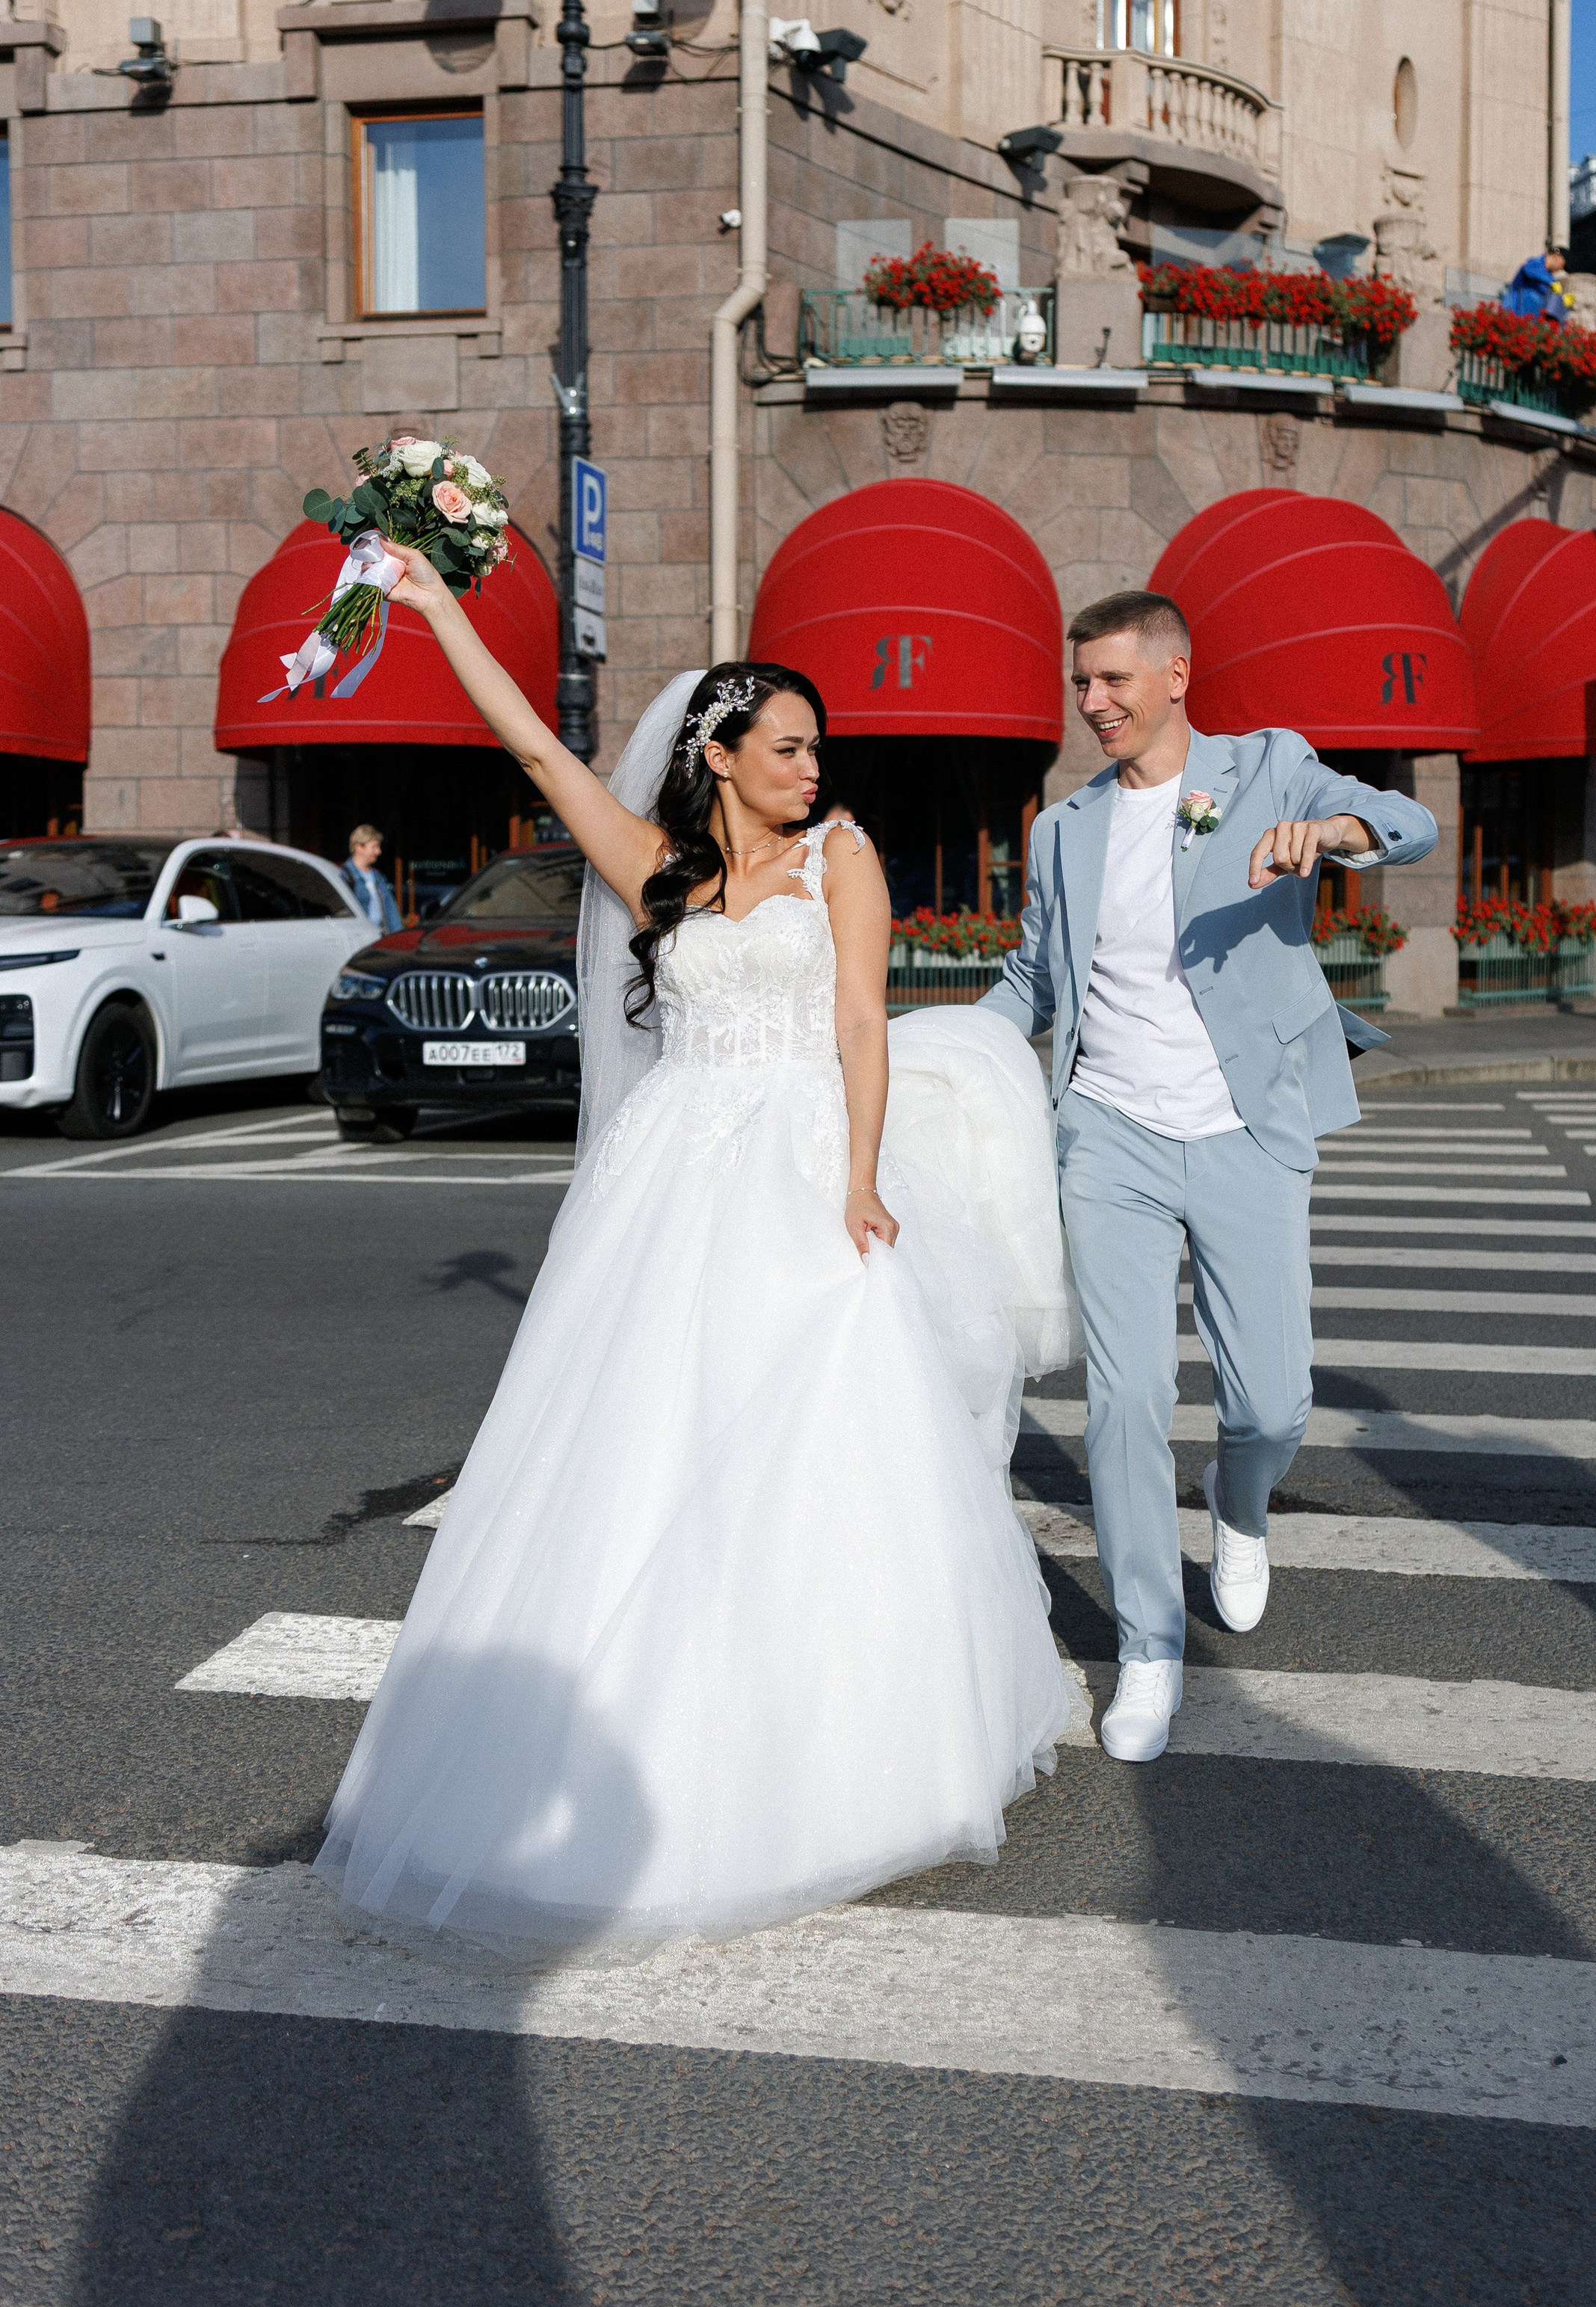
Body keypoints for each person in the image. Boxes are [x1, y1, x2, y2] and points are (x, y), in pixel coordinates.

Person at [314, 547, 1076, 1956]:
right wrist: (435, 611)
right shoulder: (657, 869)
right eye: (787, 748)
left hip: (802, 1165)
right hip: (670, 1182)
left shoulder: (840, 858)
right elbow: (539, 751)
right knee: (645, 1442)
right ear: (717, 757)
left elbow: (860, 1019)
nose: (811, 767)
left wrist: (857, 1177)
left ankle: (856, 1757)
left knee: (828, 1446)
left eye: (816, 748)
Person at [981, 591, 1438, 1764]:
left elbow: (1409, 822)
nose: (1094, 706)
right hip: (1110, 1133)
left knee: (1272, 1400)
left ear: (1177, 675)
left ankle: (1240, 1506)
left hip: (1245, 1122)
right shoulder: (1063, 829)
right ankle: (1148, 1645)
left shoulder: (1269, 768)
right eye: (1082, 684)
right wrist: (939, 1058)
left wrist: (1330, 838)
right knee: (1127, 1401)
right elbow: (1034, 982)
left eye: (1115, 682)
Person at [342, 824, 401, 933]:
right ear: (359, 847)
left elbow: (391, 910)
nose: (379, 852)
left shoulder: (378, 877)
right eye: (374, 847)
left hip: (379, 936)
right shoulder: (345, 877)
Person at [1500, 244, 1571, 321]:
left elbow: (1549, 306)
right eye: (1562, 265)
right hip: (1513, 316)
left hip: (1530, 322)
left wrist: (1563, 303)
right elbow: (1528, 269)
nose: (1561, 269)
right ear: (1557, 256)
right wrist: (1551, 282)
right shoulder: (1536, 263)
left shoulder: (1549, 277)